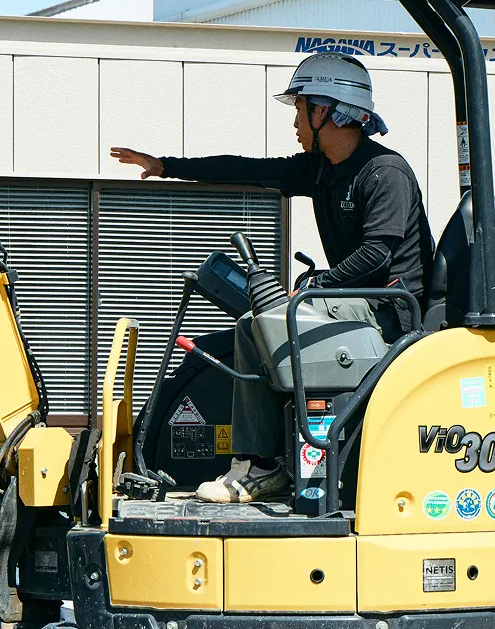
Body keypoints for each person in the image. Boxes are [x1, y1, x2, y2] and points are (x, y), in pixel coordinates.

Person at [111, 52, 433, 504]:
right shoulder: (320, 169)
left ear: (326, 111)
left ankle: (261, 465)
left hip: (389, 314)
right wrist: (167, 166)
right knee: (258, 324)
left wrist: (319, 285)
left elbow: (377, 254)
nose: (296, 123)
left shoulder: (384, 172)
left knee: (262, 324)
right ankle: (267, 460)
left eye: (300, 110)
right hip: (356, 302)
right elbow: (248, 168)